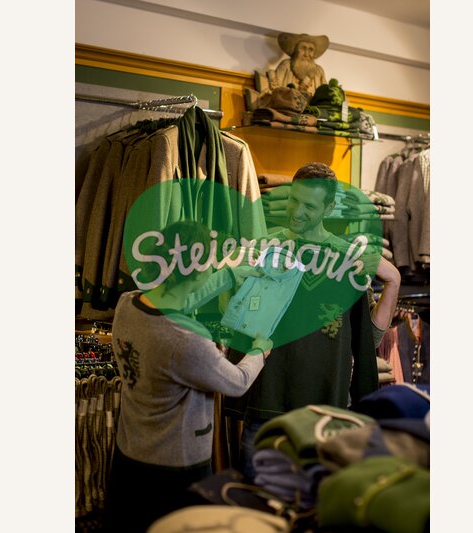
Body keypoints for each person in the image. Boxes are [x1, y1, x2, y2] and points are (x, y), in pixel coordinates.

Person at [224, 162, 402, 479]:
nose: (297, 211)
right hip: (267, 406)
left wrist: (394, 281)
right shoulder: (267, 248)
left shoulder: (349, 259)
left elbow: (367, 340)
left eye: (310, 205)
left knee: (316, 513)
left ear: (329, 207)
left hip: (325, 414)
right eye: (294, 200)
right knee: (255, 509)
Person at [105, 220, 273, 532]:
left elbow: (180, 298)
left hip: (129, 455)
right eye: (211, 266)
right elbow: (236, 382)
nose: (213, 269)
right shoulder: (186, 341)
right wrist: (259, 351)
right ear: (196, 272)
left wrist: (229, 275)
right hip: (174, 467)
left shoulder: (128, 304)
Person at [267, 33, 330, 98]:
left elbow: (326, 94)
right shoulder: (286, 65)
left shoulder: (319, 71)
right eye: (303, 48)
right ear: (296, 50)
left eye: (310, 50)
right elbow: (275, 90)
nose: (306, 54)